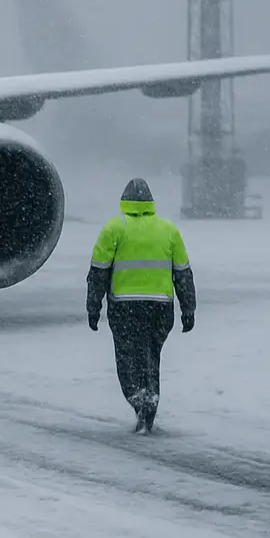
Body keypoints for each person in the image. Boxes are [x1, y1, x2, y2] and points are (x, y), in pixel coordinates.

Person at [87, 178, 196, 433]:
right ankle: (149, 404)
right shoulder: (168, 230)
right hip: (160, 308)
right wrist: (188, 308)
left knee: (127, 358)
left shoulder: (114, 228)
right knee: (150, 357)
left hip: (124, 307)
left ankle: (138, 399)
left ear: (124, 200)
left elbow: (99, 273)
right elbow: (183, 274)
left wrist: (93, 307)